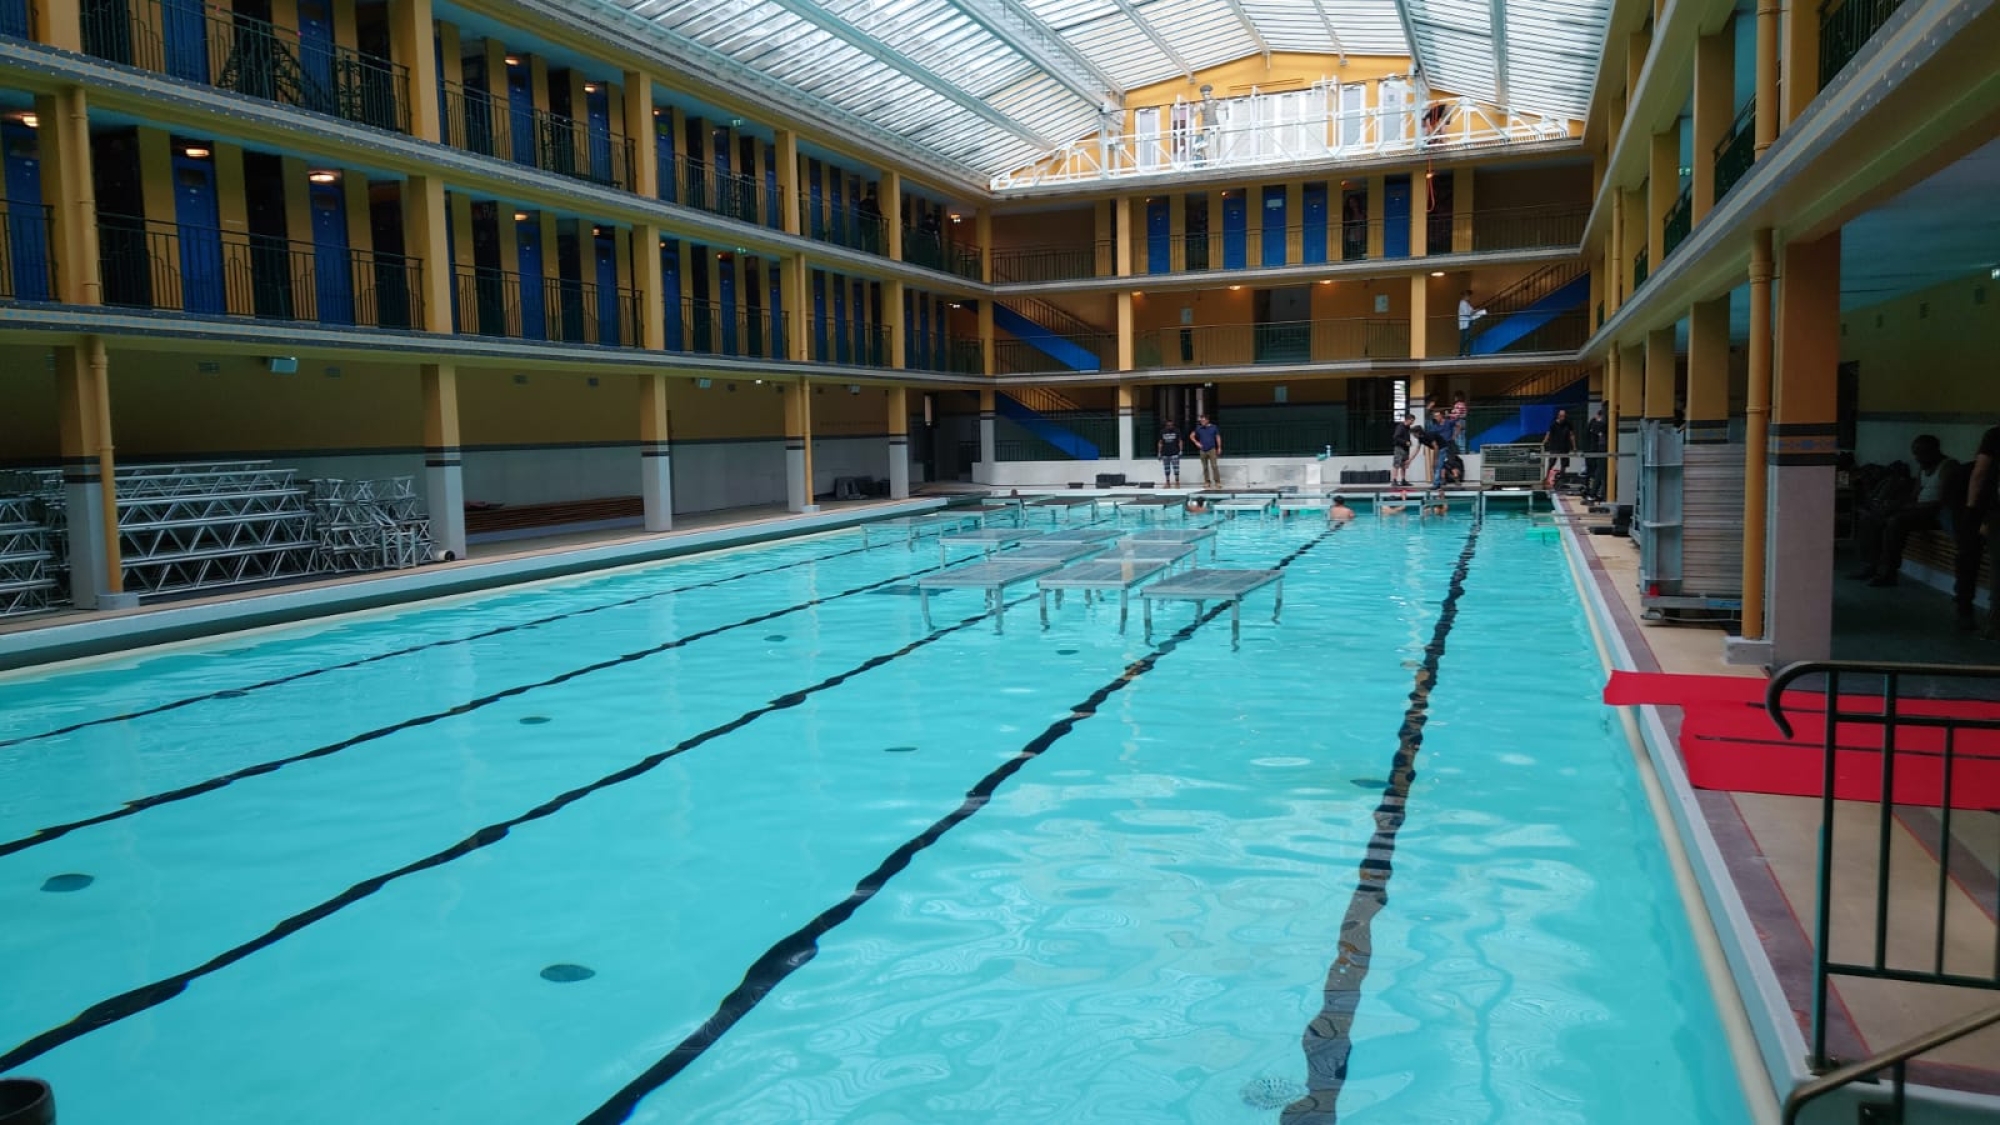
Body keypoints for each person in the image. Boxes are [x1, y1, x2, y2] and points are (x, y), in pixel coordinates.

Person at [1852, 434, 1959, 588]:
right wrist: (1895, 505)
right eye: (1916, 454)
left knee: (1895, 522)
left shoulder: (1948, 466)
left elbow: (1942, 502)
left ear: (1934, 451)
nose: (1917, 458)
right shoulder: (1924, 467)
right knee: (1870, 517)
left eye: (1921, 454)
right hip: (1918, 509)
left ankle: (1888, 573)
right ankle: (1870, 565)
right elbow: (1914, 495)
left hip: (1935, 513)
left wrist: (1906, 507)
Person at [1960, 426, 2000, 632]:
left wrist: (1971, 508)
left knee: (1971, 558)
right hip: (1989, 509)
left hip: (1988, 509)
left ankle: (1968, 612)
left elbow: (1980, 473)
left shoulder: (1995, 435)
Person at [1543, 408, 1576, 488]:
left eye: (1564, 416)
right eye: (1561, 416)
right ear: (1558, 416)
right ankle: (1546, 479)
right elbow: (1548, 434)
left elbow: (1571, 435)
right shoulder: (1553, 424)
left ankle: (1561, 481)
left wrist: (1574, 446)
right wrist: (1543, 443)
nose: (1563, 418)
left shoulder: (1568, 424)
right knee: (1551, 463)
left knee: (1564, 465)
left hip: (1564, 447)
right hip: (1554, 447)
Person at [1190, 413, 1223, 487]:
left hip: (1212, 449)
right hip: (1202, 450)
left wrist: (1219, 447)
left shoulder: (1214, 427)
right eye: (1201, 421)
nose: (1202, 422)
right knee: (1205, 467)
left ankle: (1217, 482)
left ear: (1207, 420)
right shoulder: (1199, 428)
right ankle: (1207, 482)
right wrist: (1196, 442)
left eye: (1203, 421)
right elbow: (1191, 436)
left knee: (1214, 466)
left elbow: (1218, 437)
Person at [1585, 404, 1609, 502]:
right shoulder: (1596, 423)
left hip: (1595, 450)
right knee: (1598, 471)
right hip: (1596, 450)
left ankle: (1594, 492)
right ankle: (1593, 492)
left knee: (1599, 471)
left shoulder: (1595, 423)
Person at [1457, 291, 1487, 356]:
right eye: (1468, 296)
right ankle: (1462, 353)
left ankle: (1466, 353)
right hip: (1464, 324)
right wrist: (1476, 312)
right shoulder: (1462, 303)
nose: (1469, 297)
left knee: (1467, 338)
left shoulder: (1466, 304)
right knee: (1465, 339)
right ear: (1465, 296)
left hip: (1467, 323)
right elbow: (1468, 313)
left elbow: (1471, 311)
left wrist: (1477, 310)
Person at [1157, 417, 1183, 489]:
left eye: (1171, 425)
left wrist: (1181, 450)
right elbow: (1160, 442)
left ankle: (1177, 482)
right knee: (1166, 469)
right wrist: (1159, 452)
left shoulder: (1177, 431)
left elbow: (1180, 441)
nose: (1170, 426)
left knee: (1176, 468)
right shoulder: (1162, 431)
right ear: (1166, 425)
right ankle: (1167, 482)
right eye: (1168, 425)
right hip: (1165, 453)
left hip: (1175, 453)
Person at [1390, 412, 1414, 486]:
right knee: (1396, 463)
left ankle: (1403, 480)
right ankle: (1394, 480)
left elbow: (1406, 437)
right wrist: (1405, 442)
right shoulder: (1400, 427)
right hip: (1399, 448)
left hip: (1405, 448)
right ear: (1408, 420)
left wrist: (1409, 442)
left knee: (1404, 464)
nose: (1412, 422)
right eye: (1412, 420)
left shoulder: (1408, 427)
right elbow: (1396, 437)